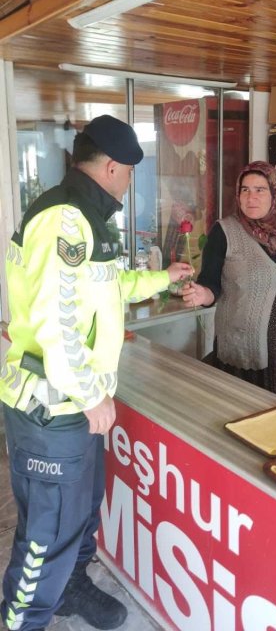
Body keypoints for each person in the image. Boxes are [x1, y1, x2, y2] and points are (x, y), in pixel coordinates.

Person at [0, 114, 193, 631]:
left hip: (73, 412)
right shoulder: (65, 221)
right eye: (130, 173)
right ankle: (26, 618)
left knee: (81, 512)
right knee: (45, 537)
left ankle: (70, 588)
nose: (130, 183)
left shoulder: (88, 217)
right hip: (53, 410)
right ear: (112, 167)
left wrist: (163, 278)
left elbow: (111, 287)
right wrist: (90, 395)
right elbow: (58, 324)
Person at [182, 161, 276, 398]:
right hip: (244, 349)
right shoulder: (224, 232)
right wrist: (202, 294)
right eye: (245, 190)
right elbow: (211, 283)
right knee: (245, 410)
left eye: (260, 189)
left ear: (273, 194)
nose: (251, 197)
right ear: (238, 195)